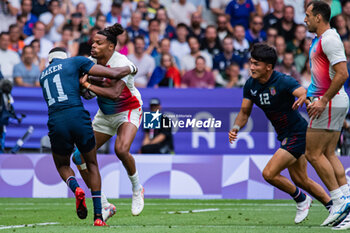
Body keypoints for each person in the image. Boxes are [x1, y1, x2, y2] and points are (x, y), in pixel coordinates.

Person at [229, 43, 332, 224]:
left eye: (256, 64)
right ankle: (334, 207)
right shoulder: (250, 85)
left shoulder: (283, 80)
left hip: (298, 133)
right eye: (251, 63)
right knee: (301, 179)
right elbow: (244, 112)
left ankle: (301, 199)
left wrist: (304, 96)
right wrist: (236, 128)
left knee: (269, 173)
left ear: (268, 67)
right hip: (285, 135)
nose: (251, 67)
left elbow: (301, 91)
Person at [40, 47, 137, 226]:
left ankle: (76, 188)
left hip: (56, 120)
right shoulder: (75, 62)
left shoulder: (43, 75)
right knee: (91, 164)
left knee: (63, 165)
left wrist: (84, 84)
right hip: (77, 116)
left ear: (50, 60)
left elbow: (71, 90)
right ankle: (99, 216)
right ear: (65, 57)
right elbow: (111, 73)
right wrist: (130, 68)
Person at [71, 23, 145, 221]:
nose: (93, 46)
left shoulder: (121, 62)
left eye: (98, 43)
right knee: (79, 157)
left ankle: (137, 188)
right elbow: (87, 94)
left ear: (111, 46)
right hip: (104, 115)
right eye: (93, 42)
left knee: (121, 149)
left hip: (127, 110)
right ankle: (105, 204)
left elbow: (113, 94)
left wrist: (86, 84)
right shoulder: (90, 61)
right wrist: (84, 89)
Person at [303, 1, 350, 229]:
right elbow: (321, 77)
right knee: (329, 153)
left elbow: (342, 74)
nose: (305, 19)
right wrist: (308, 95)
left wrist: (322, 100)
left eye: (308, 15)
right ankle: (347, 206)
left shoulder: (329, 39)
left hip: (330, 101)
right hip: (333, 100)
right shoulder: (321, 40)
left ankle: (339, 201)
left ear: (319, 17)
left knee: (312, 153)